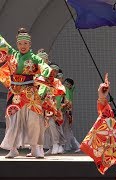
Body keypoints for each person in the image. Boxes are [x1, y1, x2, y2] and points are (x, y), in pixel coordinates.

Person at [0, 28, 53, 158]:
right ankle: (13, 148)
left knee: (34, 120)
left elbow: (44, 67)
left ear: (30, 45)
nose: (22, 46)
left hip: (30, 91)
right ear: (17, 44)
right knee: (12, 120)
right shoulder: (13, 54)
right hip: (15, 93)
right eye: (20, 44)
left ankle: (36, 148)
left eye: (25, 43)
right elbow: (2, 44)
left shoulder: (35, 58)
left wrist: (47, 72)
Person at [61, 78, 81, 152]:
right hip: (67, 112)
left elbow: (67, 102)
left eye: (67, 84)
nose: (65, 85)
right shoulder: (69, 90)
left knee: (64, 129)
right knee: (66, 130)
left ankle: (71, 146)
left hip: (66, 112)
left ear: (70, 86)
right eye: (65, 83)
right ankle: (69, 146)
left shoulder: (67, 90)